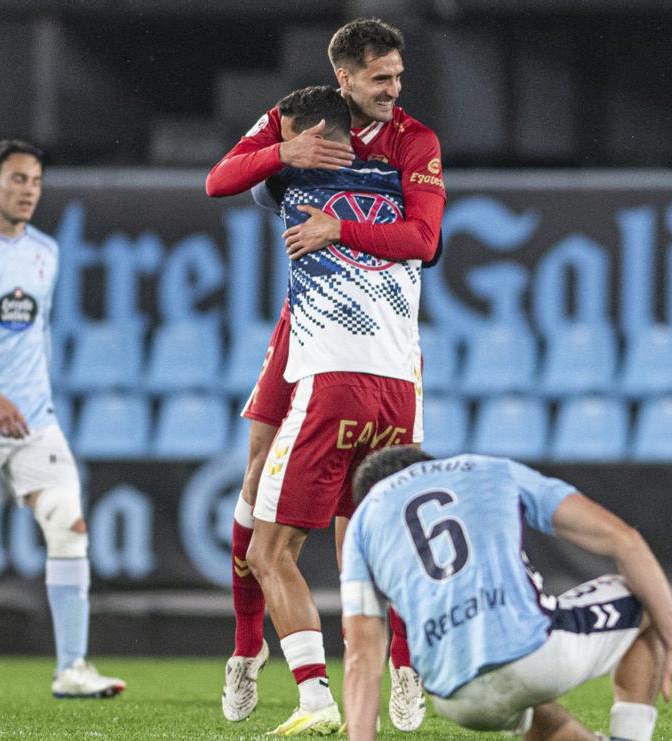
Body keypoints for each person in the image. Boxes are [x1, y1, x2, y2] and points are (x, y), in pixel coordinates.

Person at [209, 17, 444, 732]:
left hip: (376, 347)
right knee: (254, 488)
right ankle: (248, 650)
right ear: (344, 77)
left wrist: (339, 226)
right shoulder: (298, 116)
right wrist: (283, 148)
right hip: (302, 329)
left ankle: (400, 670)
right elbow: (220, 179)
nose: (393, 91)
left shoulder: (414, 142)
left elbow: (425, 242)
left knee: (360, 530)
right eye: (381, 79)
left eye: (398, 78)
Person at [0, 139, 125, 702]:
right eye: (16, 179)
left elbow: (32, 336)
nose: (28, 190)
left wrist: (30, 399)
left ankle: (73, 668)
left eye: (35, 180)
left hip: (36, 420)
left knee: (70, 525)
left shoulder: (46, 251)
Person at [341, 446, 672, 741]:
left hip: (452, 696)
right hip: (535, 654)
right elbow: (624, 540)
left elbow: (361, 657)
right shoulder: (490, 469)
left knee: (527, 705)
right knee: (641, 594)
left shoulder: (364, 522)